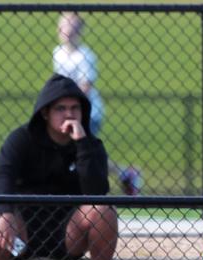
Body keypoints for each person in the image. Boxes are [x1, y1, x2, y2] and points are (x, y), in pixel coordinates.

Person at [0, 74, 120, 260]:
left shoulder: (90, 145)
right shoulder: (22, 138)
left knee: (104, 210)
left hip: (68, 232)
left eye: (75, 108)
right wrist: (7, 212)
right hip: (22, 231)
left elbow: (96, 190)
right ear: (45, 112)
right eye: (61, 109)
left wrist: (82, 145)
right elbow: (0, 174)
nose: (69, 114)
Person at [53, 12, 140, 196]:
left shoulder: (85, 56)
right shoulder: (58, 53)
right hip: (66, 113)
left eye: (72, 26)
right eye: (64, 25)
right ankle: (125, 174)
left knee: (83, 152)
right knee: (78, 153)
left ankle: (109, 181)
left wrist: (68, 106)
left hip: (88, 113)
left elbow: (86, 88)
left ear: (79, 31)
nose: (67, 30)